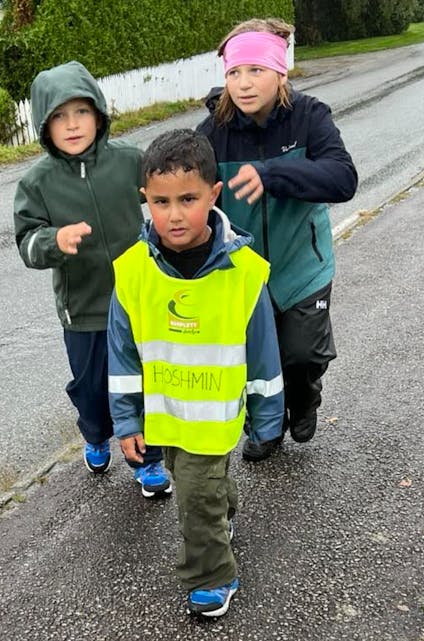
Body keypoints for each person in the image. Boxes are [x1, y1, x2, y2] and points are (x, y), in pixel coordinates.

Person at [107, 129, 285, 617]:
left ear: (214, 194)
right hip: (165, 417)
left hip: (215, 418)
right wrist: (127, 419)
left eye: (188, 199)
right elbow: (122, 356)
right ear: (145, 200)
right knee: (202, 487)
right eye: (160, 202)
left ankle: (212, 575)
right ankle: (221, 514)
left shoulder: (244, 272)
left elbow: (263, 353)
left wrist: (268, 416)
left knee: (194, 495)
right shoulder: (132, 272)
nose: (174, 215)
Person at [195, 18, 358, 462]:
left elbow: (343, 179)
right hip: (243, 273)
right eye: (234, 73)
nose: (243, 83)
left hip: (303, 265)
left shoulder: (310, 117)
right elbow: (185, 187)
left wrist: (273, 174)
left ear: (280, 72)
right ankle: (265, 428)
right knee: (252, 359)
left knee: (301, 355)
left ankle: (304, 398)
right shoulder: (213, 133)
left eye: (256, 70)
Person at [13, 60, 172, 498]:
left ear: (99, 115)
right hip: (83, 310)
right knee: (93, 392)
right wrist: (53, 240)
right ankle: (96, 435)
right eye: (59, 116)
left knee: (143, 385)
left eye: (81, 111)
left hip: (138, 303)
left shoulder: (128, 161)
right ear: (44, 127)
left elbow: (165, 194)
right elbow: (26, 242)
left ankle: (148, 462)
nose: (72, 124)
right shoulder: (37, 183)